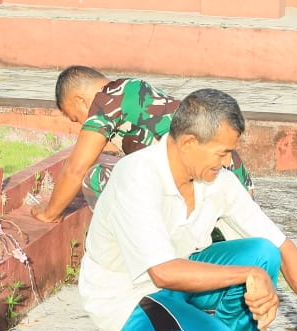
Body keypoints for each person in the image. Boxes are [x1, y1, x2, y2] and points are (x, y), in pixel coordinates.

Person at [77, 89, 297, 331]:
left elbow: (280, 246)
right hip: (127, 296)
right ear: (189, 143)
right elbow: (162, 273)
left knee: (262, 252)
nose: (227, 162)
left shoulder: (217, 181)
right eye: (222, 153)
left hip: (178, 281)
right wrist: (248, 275)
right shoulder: (137, 176)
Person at [31, 66, 254, 223]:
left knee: (97, 177)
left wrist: (50, 213)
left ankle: (138, 251)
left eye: (75, 117)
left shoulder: (106, 100)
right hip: (238, 187)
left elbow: (75, 169)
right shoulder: (136, 88)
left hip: (203, 194)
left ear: (79, 99)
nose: (81, 124)